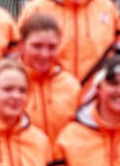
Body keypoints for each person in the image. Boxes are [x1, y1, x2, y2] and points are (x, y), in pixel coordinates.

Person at [17, 0, 120, 96]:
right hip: (50, 96)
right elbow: (20, 55)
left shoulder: (107, 7)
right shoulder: (37, 7)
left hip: (97, 98)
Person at [19, 13, 82, 145]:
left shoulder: (71, 86)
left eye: (52, 47)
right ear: (22, 45)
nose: (44, 54)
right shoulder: (6, 84)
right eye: (37, 46)